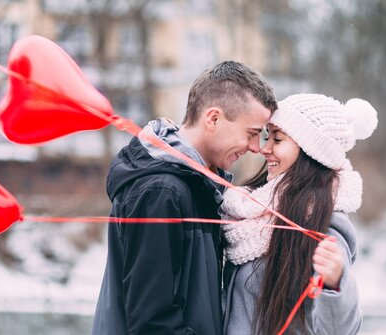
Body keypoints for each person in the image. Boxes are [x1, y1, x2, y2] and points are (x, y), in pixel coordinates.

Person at [92, 60, 277, 335]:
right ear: (213, 119)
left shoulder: (198, 187)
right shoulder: (161, 192)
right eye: (251, 134)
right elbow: (151, 323)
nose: (255, 148)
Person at [221, 93, 378, 334]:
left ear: (310, 151)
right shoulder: (248, 215)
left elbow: (340, 331)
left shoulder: (325, 226)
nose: (265, 148)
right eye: (267, 136)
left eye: (278, 139)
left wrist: (335, 284)